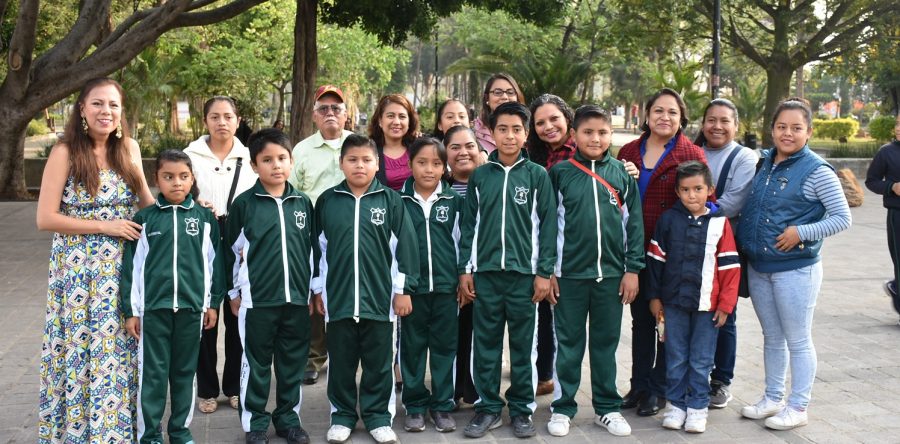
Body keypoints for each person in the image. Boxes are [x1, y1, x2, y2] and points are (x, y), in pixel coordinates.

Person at [37, 77, 154, 443]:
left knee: (121, 348)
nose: (107, 112)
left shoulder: (129, 148)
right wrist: (104, 227)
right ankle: (81, 433)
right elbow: (45, 218)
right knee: (82, 347)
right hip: (78, 271)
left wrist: (190, 209)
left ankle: (117, 433)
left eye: (114, 105)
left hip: (123, 266)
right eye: (98, 104)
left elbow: (148, 204)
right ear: (82, 109)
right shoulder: (65, 152)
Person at [737, 98, 851, 430]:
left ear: (809, 131)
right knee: (772, 336)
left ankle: (798, 405)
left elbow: (842, 218)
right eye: (782, 127)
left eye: (796, 128)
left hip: (796, 269)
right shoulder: (764, 162)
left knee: (798, 339)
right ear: (772, 129)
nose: (788, 133)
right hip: (760, 266)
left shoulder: (816, 170)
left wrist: (802, 232)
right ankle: (773, 398)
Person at [457, 102, 557, 439]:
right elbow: (469, 225)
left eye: (516, 129)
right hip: (485, 275)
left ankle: (521, 409)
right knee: (484, 344)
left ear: (526, 134)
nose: (509, 136)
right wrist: (465, 270)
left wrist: (544, 272)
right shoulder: (481, 176)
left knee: (523, 347)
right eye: (503, 129)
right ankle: (487, 408)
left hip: (524, 278)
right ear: (491, 133)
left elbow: (548, 228)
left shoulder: (537, 176)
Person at [311, 134, 419, 444]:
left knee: (379, 363)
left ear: (377, 164)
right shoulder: (328, 201)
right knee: (342, 363)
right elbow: (317, 250)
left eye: (367, 160)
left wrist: (403, 290)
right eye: (353, 159)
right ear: (341, 163)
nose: (360, 165)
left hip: (380, 300)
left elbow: (405, 250)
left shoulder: (390, 201)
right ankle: (342, 415)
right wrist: (318, 288)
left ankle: (377, 416)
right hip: (340, 298)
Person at [546, 105, 643, 438]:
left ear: (611, 135)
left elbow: (635, 227)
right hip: (569, 277)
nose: (595, 138)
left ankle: (607, 407)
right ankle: (563, 408)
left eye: (602, 132)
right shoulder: (559, 174)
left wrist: (633, 270)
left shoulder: (622, 174)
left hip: (611, 277)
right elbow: (548, 227)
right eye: (588, 132)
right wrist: (549, 270)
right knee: (568, 344)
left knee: (605, 344)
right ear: (574, 135)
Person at [617, 88, 707, 417]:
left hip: (675, 253)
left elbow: (702, 202)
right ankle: (639, 384)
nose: (664, 117)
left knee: (666, 322)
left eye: (671, 112)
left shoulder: (690, 153)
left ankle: (659, 388)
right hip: (634, 251)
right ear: (646, 114)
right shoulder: (627, 150)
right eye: (658, 110)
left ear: (682, 117)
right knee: (640, 321)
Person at [121, 150, 222, 444]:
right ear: (157, 180)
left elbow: (215, 265)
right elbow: (133, 269)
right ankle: (150, 434)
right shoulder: (145, 219)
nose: (176, 183)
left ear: (192, 179)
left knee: (184, 374)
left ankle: (179, 431)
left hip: (192, 310)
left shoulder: (204, 219)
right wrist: (132, 310)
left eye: (183, 176)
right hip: (154, 311)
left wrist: (212, 303)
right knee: (152, 376)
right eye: (168, 177)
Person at [225, 129, 316, 444]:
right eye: (267, 160)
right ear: (254, 165)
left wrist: (313, 289)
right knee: (257, 365)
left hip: (296, 301)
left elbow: (312, 250)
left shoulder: (302, 203)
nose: (276, 165)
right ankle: (255, 423)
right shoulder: (245, 205)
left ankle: (289, 419)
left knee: (292, 365)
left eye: (282, 158)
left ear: (291, 162)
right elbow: (231, 253)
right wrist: (233, 293)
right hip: (258, 301)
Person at [647, 161, 740, 434]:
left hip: (708, 307)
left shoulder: (721, 224)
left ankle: (698, 408)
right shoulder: (668, 220)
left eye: (698, 188)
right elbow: (655, 261)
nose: (692, 195)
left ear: (709, 190)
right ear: (677, 191)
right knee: (675, 357)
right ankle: (676, 406)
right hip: (673, 304)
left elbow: (731, 267)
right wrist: (654, 298)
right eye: (685, 189)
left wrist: (726, 304)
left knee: (701, 359)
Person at [184, 96, 257, 414]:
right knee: (206, 315)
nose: (222, 122)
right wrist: (196, 204)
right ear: (205, 121)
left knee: (238, 313)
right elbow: (179, 189)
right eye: (215, 116)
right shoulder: (190, 155)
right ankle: (207, 389)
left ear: (238, 121)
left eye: (228, 116)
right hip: (203, 239)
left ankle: (234, 386)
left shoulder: (250, 155)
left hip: (240, 241)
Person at [694, 98, 759, 408]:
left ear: (736, 125)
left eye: (724, 121)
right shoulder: (694, 152)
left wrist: (691, 207)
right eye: (711, 120)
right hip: (689, 246)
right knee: (687, 311)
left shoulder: (745, 157)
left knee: (724, 314)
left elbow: (732, 203)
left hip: (724, 249)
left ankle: (720, 381)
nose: (717, 126)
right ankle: (691, 376)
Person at [289, 84, 355, 386]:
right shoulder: (302, 150)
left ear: (346, 115)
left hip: (351, 229)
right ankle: (314, 357)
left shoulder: (357, 145)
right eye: (324, 109)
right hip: (312, 230)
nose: (330, 113)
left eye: (336, 108)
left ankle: (345, 355)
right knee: (314, 294)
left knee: (345, 290)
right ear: (314, 116)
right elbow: (294, 191)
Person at [398, 137, 463, 433]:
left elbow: (463, 244)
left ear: (444, 166)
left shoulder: (454, 201)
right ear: (410, 164)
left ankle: (441, 405)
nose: (429, 169)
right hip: (413, 293)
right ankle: (413, 405)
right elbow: (393, 249)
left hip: (446, 291)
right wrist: (401, 288)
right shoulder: (398, 202)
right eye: (422, 163)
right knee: (411, 350)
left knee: (444, 349)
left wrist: (463, 277)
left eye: (436, 163)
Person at [526, 93, 577, 397]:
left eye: (553, 119)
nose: (548, 127)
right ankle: (545, 375)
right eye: (540, 123)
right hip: (542, 245)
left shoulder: (583, 149)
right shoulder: (535, 155)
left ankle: (564, 385)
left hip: (573, 248)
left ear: (567, 118)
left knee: (565, 320)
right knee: (543, 312)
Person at [441, 125, 485, 407]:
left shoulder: (489, 184)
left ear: (480, 150)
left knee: (481, 334)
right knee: (454, 333)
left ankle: (478, 390)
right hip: (449, 274)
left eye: (468, 145)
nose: (462, 152)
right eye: (454, 147)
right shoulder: (439, 188)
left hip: (485, 271)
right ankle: (453, 390)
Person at [865, 114, 900, 321]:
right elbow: (872, 181)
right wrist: (891, 187)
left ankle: (895, 286)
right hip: (897, 216)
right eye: (897, 124)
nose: (899, 128)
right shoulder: (886, 153)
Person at [369, 94, 420, 191]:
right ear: (380, 121)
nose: (396, 122)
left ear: (409, 121)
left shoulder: (419, 148)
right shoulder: (369, 150)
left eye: (402, 116)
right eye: (390, 116)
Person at [472, 73, 526, 153]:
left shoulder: (532, 132)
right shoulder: (473, 136)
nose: (504, 97)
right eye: (497, 92)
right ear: (487, 98)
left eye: (510, 92)